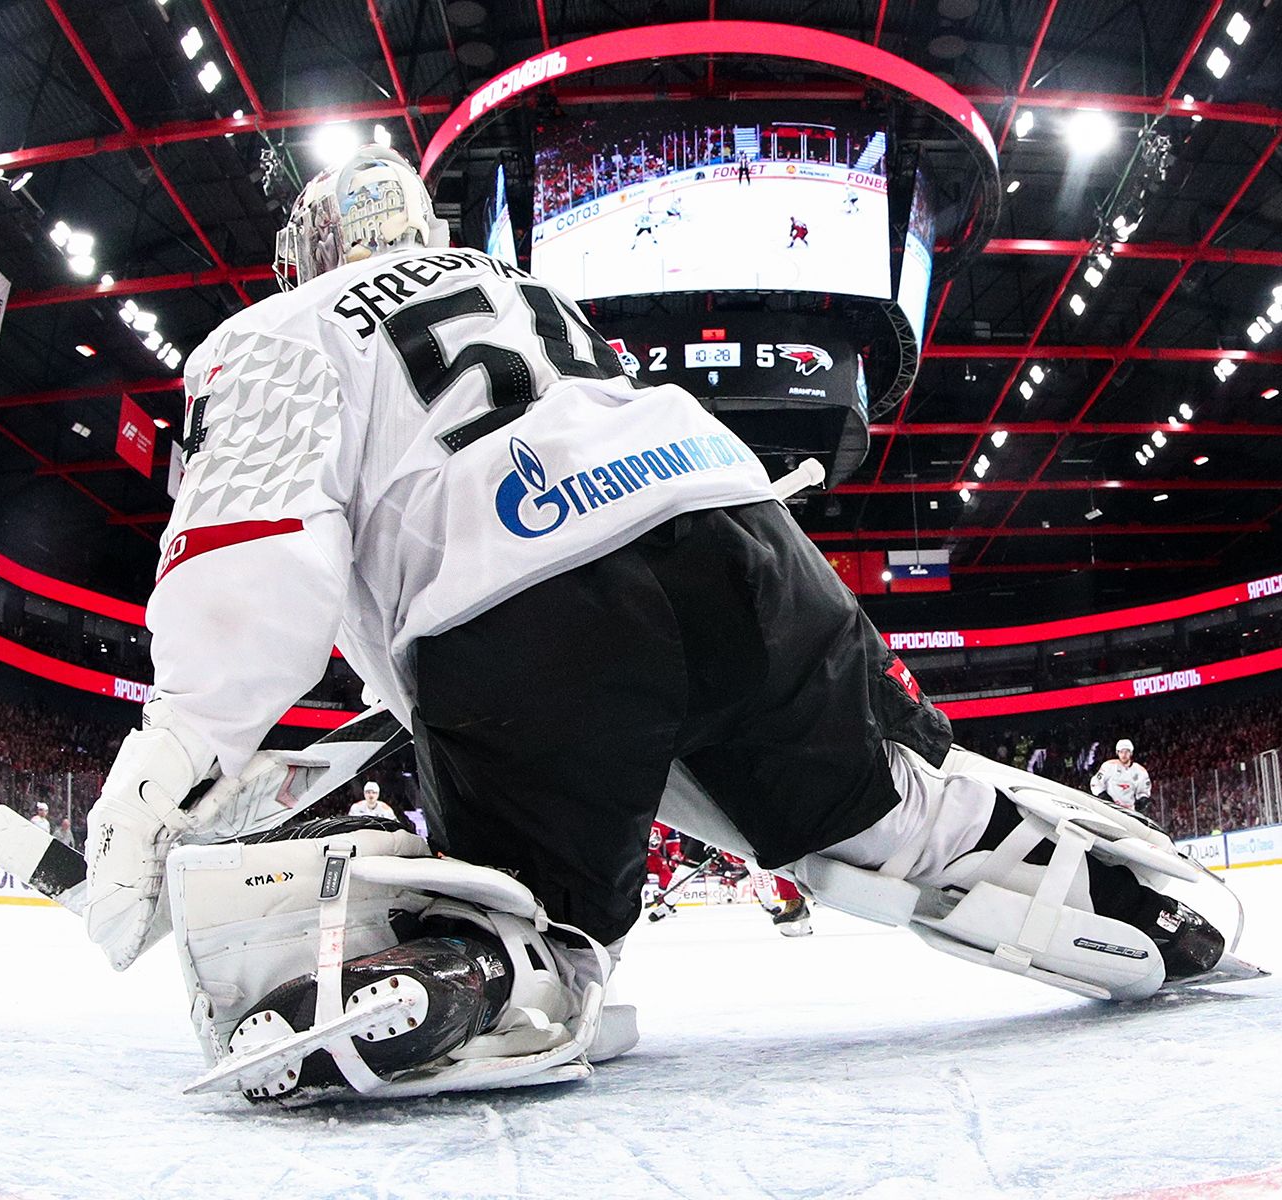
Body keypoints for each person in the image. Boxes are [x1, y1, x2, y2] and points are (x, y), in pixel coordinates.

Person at [75, 145, 1239, 1102]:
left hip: (526, 610)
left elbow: (254, 560)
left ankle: (481, 964)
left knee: (543, 902)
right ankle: (1120, 896)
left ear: (307, 256)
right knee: (884, 808)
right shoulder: (526, 288)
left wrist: (171, 762)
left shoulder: (277, 332)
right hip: (738, 540)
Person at [1091, 739, 1152, 811]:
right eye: (1121, 752)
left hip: (1129, 811)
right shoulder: (1109, 766)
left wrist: (1143, 800)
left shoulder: (1140, 771)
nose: (1124, 755)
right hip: (1109, 809)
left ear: (1131, 753)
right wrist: (1102, 795)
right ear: (1117, 753)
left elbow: (1143, 791)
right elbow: (1095, 783)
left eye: (1127, 752)